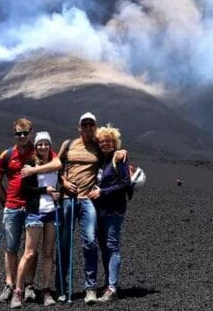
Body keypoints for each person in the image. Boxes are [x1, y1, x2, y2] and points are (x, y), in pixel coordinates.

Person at [21, 112, 127, 305]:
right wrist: (63, 182)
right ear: (79, 127)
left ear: (94, 127)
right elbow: (56, 165)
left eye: (91, 125)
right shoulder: (68, 144)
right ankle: (61, 288)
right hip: (68, 200)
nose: (87, 128)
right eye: (84, 125)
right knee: (63, 245)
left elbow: (111, 154)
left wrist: (122, 151)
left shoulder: (98, 145)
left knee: (90, 243)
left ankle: (90, 289)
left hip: (88, 201)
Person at [11, 131, 61, 308]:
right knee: (30, 253)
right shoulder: (29, 164)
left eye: (46, 143)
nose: (43, 147)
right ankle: (18, 291)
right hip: (35, 212)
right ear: (36, 146)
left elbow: (58, 184)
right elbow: (24, 190)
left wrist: (57, 194)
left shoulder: (55, 164)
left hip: (52, 213)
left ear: (50, 145)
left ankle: (46, 290)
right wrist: (44, 190)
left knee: (48, 253)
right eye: (40, 144)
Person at [0, 118, 37, 303]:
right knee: (11, 248)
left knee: (30, 249)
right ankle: (9, 285)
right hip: (12, 207)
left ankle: (29, 285)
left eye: (25, 133)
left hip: (33, 207)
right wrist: (5, 200)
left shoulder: (39, 152)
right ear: (14, 133)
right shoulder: (7, 154)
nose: (22, 136)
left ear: (31, 133)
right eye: (18, 133)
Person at [88, 124, 131, 303]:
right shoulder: (101, 160)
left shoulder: (118, 159)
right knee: (104, 247)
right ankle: (108, 284)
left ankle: (112, 287)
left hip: (114, 210)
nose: (105, 144)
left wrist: (102, 192)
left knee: (112, 246)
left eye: (108, 141)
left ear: (114, 143)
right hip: (99, 211)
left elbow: (125, 183)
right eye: (102, 141)